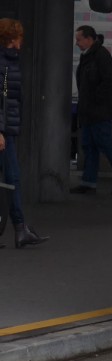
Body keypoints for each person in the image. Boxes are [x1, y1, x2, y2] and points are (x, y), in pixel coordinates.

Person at [71, 25, 112, 195]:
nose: (77, 43)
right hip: (89, 110)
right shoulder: (88, 56)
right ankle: (89, 182)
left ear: (89, 39)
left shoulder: (100, 55)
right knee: (89, 145)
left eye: (79, 39)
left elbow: (109, 80)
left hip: (99, 110)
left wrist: (95, 100)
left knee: (105, 144)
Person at [0, 18, 48, 247]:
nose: (21, 42)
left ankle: (21, 228)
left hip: (7, 127)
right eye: (19, 37)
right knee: (13, 177)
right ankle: (20, 228)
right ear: (12, 38)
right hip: (3, 130)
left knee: (11, 177)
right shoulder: (5, 62)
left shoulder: (9, 61)